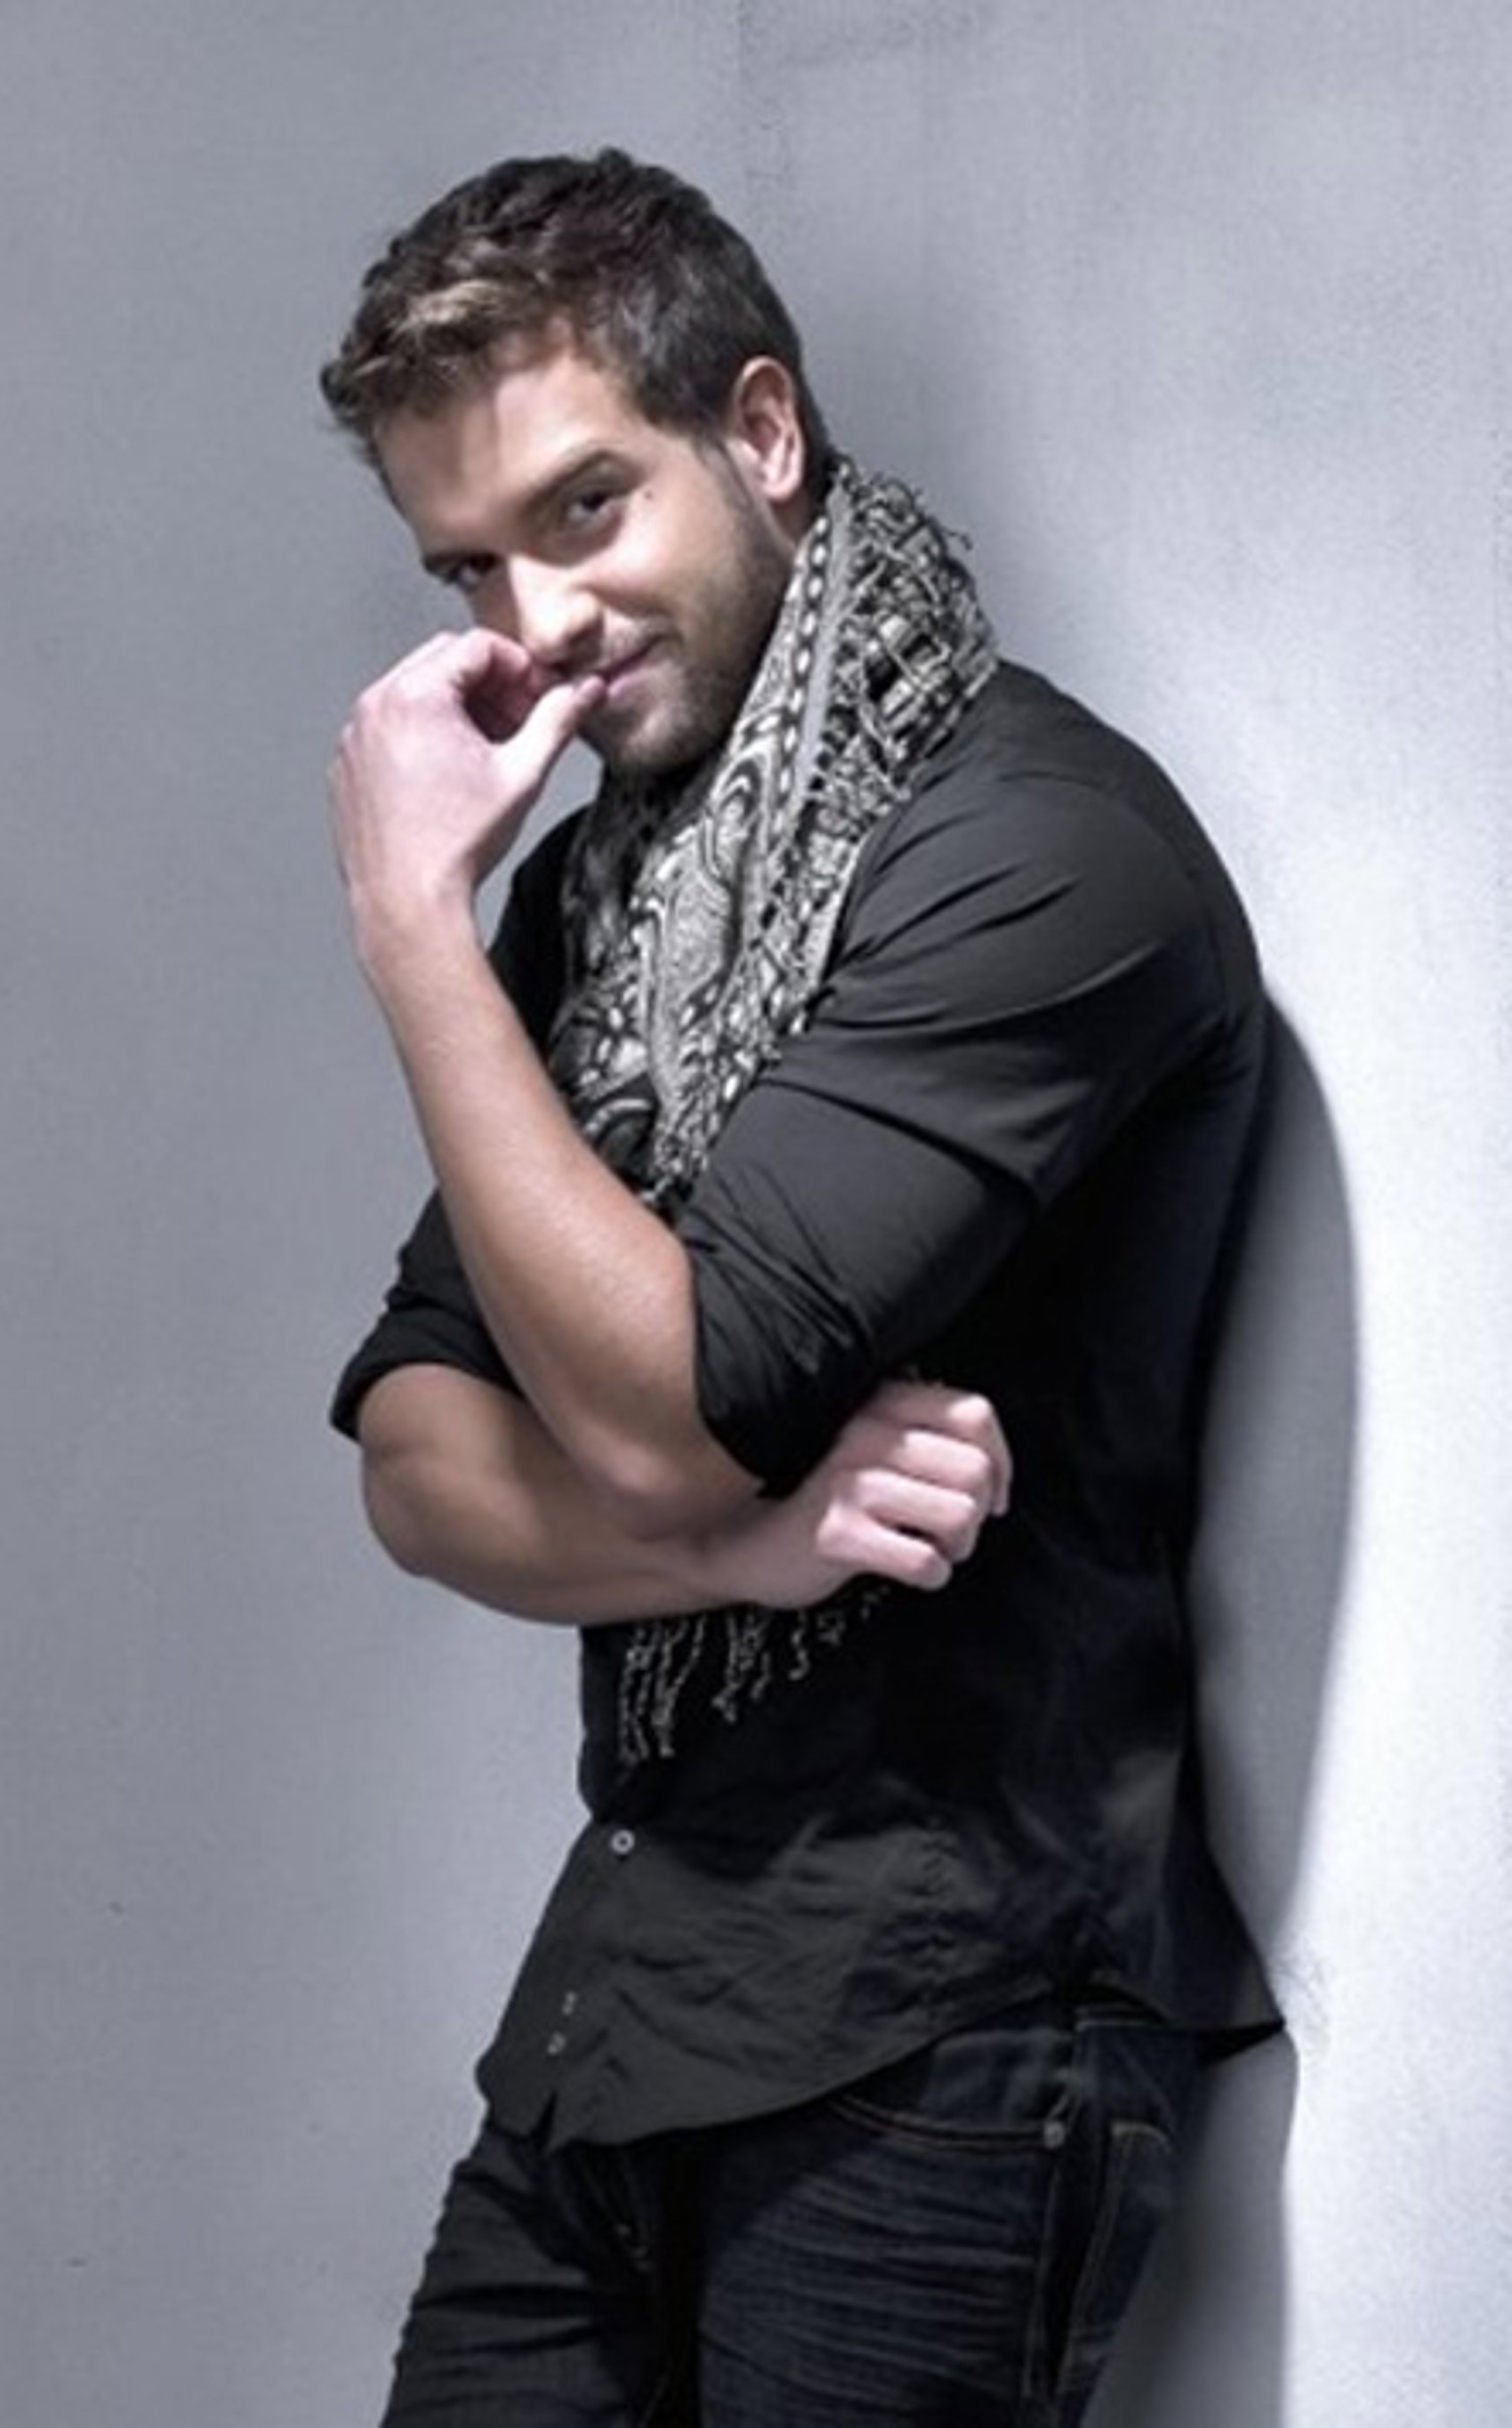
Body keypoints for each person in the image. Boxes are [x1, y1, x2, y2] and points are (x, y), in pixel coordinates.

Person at [319, 148, 1278, 2427]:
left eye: (584, 510)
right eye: (469, 566)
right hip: (628, 1991)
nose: (534, 621)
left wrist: (408, 929)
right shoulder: (610, 903)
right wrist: (732, 1553)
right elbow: (418, 1465)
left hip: (946, 2016)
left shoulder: (1041, 852)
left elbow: (660, 1408)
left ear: (759, 429)